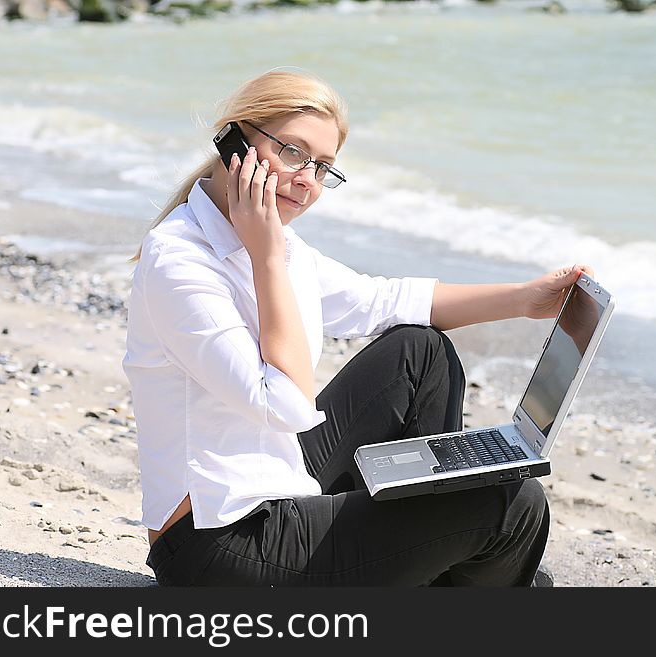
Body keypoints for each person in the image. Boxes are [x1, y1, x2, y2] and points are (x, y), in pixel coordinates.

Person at [123, 69, 593, 586]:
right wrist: (268, 260)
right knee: (514, 506)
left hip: (274, 480)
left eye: (323, 167)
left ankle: (434, 547)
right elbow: (284, 404)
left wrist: (526, 300)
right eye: (293, 152)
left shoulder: (271, 244)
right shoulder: (182, 260)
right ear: (236, 141)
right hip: (217, 542)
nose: (307, 179)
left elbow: (384, 301)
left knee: (420, 351)